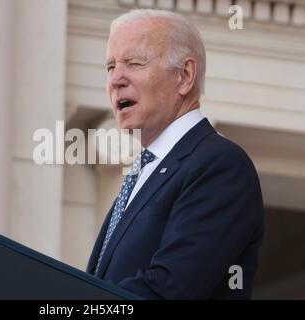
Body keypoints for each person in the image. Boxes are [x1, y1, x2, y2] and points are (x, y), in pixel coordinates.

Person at [86, 9, 264, 299]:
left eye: (133, 63)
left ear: (184, 76)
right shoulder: (143, 171)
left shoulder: (220, 165)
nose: (116, 79)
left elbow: (170, 289)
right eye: (110, 66)